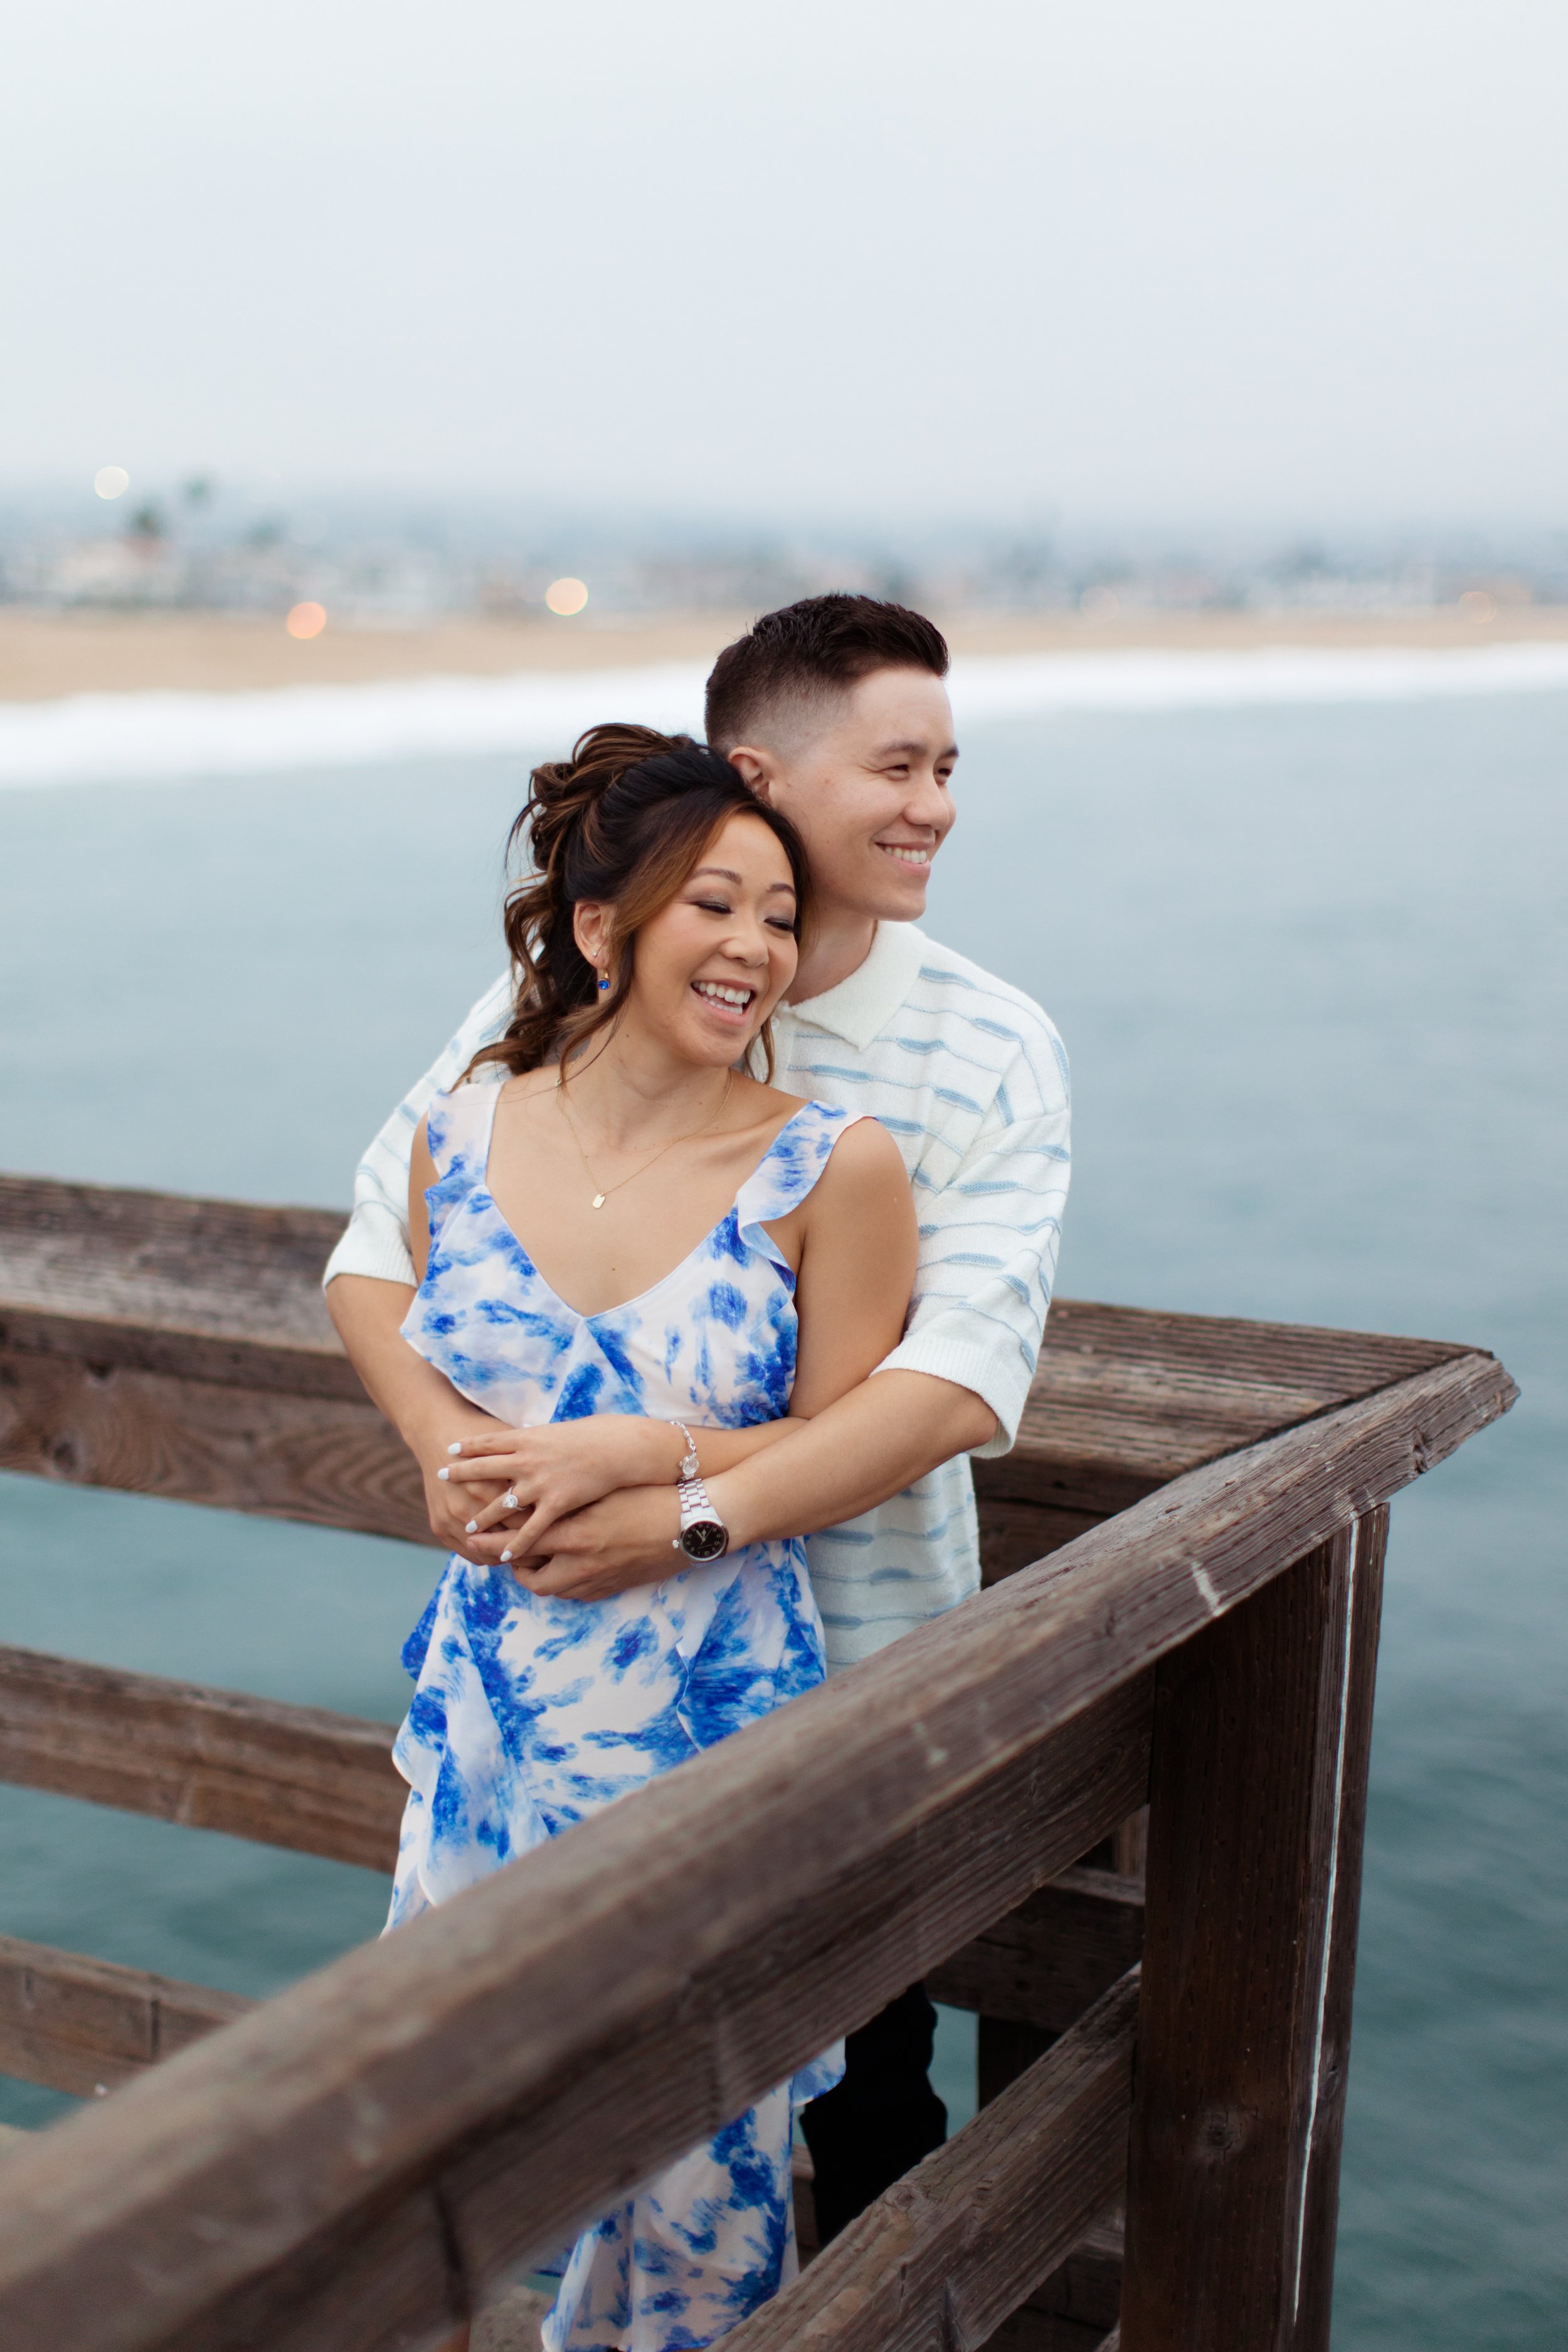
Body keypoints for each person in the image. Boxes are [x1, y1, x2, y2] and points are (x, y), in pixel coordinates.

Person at [325, 595, 1072, 2244]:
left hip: (842, 1704)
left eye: (947, 767)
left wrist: (665, 1497)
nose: (933, 806)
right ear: (757, 770)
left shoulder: (987, 1049)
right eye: (896, 765)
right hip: (535, 1683)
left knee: (839, 2138)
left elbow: (945, 1387)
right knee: (467, 2133)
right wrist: (460, 1464)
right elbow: (376, 1254)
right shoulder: (557, 999)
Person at [391, 724, 919, 2352]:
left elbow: (845, 1446)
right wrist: (440, 1455)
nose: (758, 947)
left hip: (710, 1742)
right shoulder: (457, 1135)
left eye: (778, 915)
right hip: (482, 1733)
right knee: (437, 2176)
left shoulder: (831, 1167)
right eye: (716, 905)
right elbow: (418, 1344)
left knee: (690, 2239)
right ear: (602, 927)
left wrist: (658, 1454)